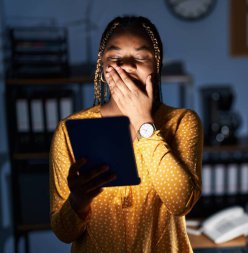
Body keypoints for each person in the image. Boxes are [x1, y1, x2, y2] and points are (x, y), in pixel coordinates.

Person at [49, 15, 203, 253]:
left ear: (156, 65)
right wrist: (78, 201)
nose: (128, 66)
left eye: (141, 57)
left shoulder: (183, 122)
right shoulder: (69, 130)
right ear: (102, 66)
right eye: (115, 57)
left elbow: (181, 202)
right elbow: (63, 232)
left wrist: (142, 120)